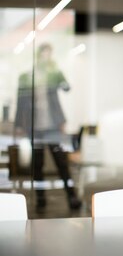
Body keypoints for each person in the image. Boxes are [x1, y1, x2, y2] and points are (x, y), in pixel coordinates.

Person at [14, 43, 82, 210]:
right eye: (45, 54)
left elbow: (67, 88)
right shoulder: (27, 76)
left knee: (61, 162)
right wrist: (19, 124)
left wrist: (58, 74)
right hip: (34, 127)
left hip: (53, 126)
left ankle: (71, 196)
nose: (47, 58)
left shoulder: (54, 74)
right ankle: (40, 199)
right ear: (39, 56)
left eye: (49, 55)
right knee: (37, 164)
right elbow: (20, 102)